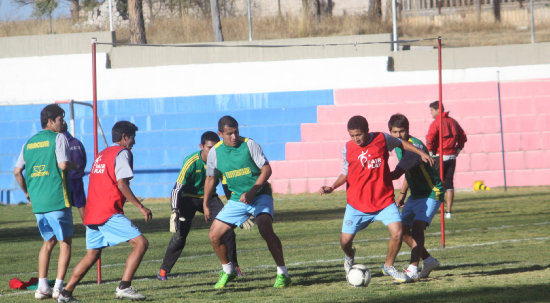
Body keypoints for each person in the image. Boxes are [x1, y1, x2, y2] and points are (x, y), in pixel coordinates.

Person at [319, 115, 434, 283]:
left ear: (367, 130)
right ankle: (349, 256)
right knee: (345, 242)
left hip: (384, 201)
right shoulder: (347, 148)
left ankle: (388, 266)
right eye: (352, 135)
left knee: (398, 231)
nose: (356, 139)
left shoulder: (382, 138)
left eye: (359, 134)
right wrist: (332, 187)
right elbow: (346, 172)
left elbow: (401, 143)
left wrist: (420, 152)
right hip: (357, 204)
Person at [57, 121, 153, 302]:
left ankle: (66, 293)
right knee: (141, 243)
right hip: (107, 212)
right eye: (133, 138)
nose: (134, 142)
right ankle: (124, 286)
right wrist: (140, 206)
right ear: (125, 138)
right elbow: (122, 183)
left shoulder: (101, 154)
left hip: (92, 213)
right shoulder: (123, 153)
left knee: (92, 254)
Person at [203, 115, 291, 289]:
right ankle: (228, 270)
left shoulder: (250, 144)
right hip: (238, 199)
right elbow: (211, 179)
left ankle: (283, 273)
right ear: (220, 133)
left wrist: (253, 191)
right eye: (229, 133)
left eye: (236, 132)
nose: (234, 136)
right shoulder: (214, 153)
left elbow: (266, 169)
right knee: (214, 235)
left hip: (259, 194)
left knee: (265, 228)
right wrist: (206, 203)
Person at [157, 131, 242, 281]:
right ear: (201, 146)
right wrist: (174, 210)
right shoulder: (191, 161)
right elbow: (177, 188)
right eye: (209, 148)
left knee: (228, 231)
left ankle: (234, 267)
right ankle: (164, 271)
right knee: (180, 236)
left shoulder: (220, 160)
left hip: (209, 198)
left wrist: (236, 206)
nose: (212, 152)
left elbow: (227, 186)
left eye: (216, 148)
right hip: (188, 199)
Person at [13, 104, 74, 300]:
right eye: (60, 119)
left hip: (38, 203)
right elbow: (63, 165)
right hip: (56, 199)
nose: (62, 123)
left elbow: (16, 172)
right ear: (50, 121)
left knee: (48, 242)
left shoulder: (28, 143)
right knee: (65, 243)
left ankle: (42, 287)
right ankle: (58, 287)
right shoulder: (59, 138)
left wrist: (27, 193)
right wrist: (75, 164)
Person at [388, 113, 443, 281]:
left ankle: (412, 268)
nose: (399, 136)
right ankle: (428, 260)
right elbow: (408, 172)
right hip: (415, 194)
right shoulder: (398, 146)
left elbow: (397, 173)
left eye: (402, 132)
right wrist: (403, 193)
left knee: (418, 227)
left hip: (432, 191)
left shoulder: (414, 148)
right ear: (390, 132)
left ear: (408, 130)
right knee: (402, 230)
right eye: (395, 132)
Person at [426, 101, 467, 219]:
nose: (431, 113)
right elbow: (463, 137)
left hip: (440, 156)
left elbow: (430, 138)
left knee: (436, 183)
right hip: (452, 157)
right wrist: (458, 149)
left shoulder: (436, 123)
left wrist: (430, 153)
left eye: (431, 110)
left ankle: (435, 208)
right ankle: (448, 212)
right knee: (449, 184)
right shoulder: (453, 122)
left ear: (438, 110)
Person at [61, 121, 87, 221]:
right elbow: (83, 159)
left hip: (64, 180)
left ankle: (65, 231)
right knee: (81, 205)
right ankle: (88, 228)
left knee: (64, 207)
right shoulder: (77, 142)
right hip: (77, 179)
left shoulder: (58, 143)